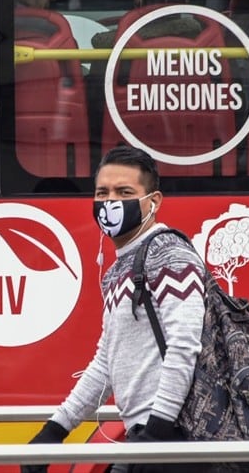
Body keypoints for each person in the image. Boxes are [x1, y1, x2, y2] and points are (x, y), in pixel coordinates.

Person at [21, 145, 208, 473]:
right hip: (145, 434)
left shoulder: (170, 255)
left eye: (124, 192)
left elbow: (184, 346)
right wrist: (55, 430)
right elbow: (107, 361)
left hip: (176, 437)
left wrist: (157, 433)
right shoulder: (120, 269)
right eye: (102, 193)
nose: (110, 202)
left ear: (154, 201)